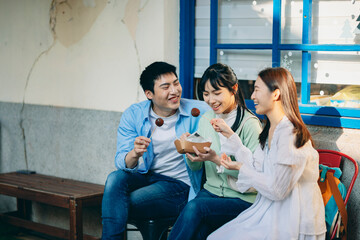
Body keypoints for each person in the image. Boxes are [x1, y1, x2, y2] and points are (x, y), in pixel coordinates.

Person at [208, 67, 326, 240]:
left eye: (257, 90)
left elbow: (277, 190)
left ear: (275, 94)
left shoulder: (289, 133)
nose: (252, 96)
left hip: (293, 220)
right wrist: (232, 137)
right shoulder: (271, 129)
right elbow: (258, 166)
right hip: (272, 211)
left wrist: (241, 167)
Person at [101, 61, 209, 239]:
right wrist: (135, 153)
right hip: (148, 176)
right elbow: (122, 162)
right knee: (115, 178)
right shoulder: (134, 114)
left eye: (176, 83)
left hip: (179, 185)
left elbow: (227, 116)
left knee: (122, 202)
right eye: (165, 87)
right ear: (149, 94)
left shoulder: (198, 111)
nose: (174, 91)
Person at [168, 63, 262, 240]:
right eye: (205, 94)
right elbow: (196, 168)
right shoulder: (206, 118)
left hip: (241, 199)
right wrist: (189, 151)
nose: (211, 100)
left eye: (217, 93)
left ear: (234, 89)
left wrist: (215, 159)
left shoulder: (250, 124)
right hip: (210, 193)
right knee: (199, 232)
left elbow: (255, 176)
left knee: (195, 208)